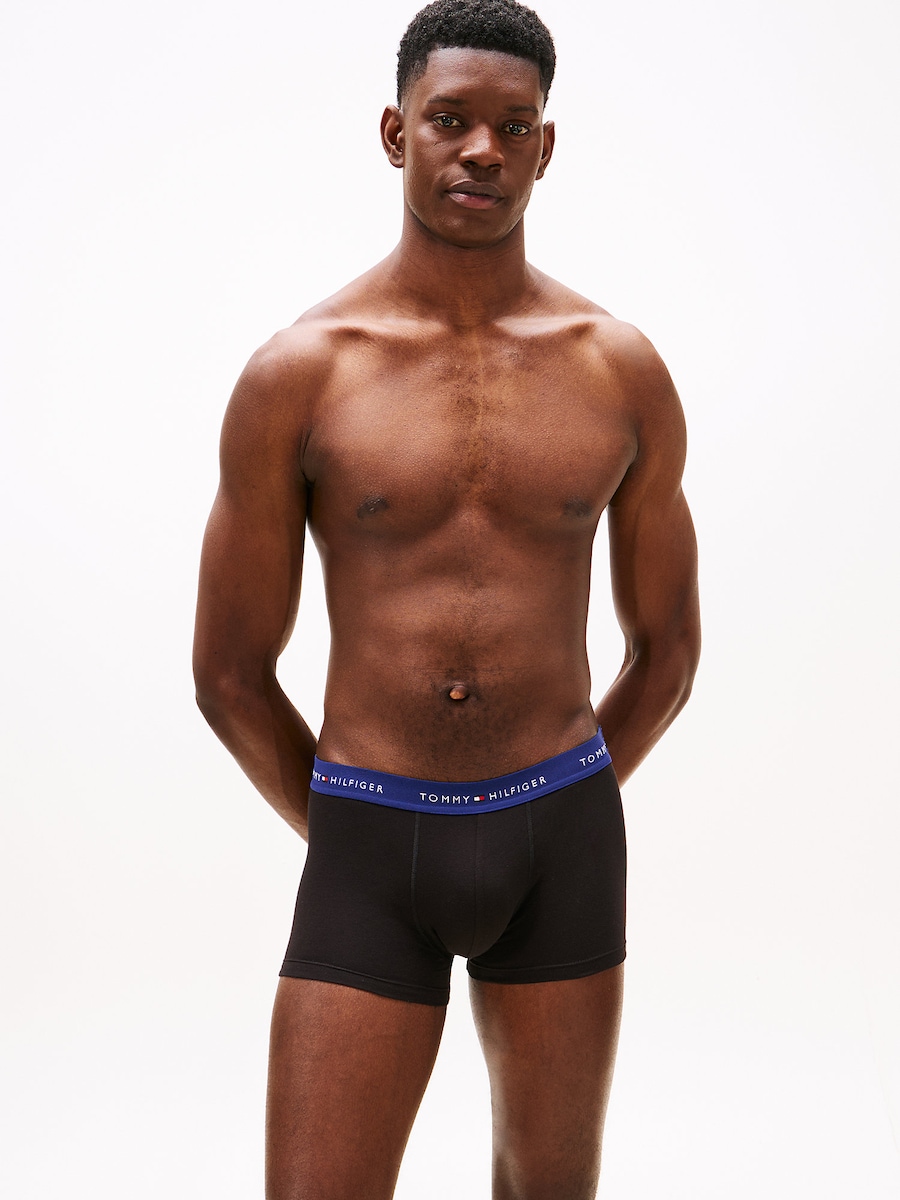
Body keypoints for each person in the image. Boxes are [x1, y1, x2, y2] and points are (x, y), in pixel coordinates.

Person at [193, 0, 700, 1195]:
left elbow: (668, 653)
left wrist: (554, 808)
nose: (483, 149)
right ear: (396, 133)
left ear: (545, 147)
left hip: (562, 843)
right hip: (369, 840)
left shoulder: (616, 368)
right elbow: (227, 673)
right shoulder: (301, 373)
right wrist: (368, 830)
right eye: (451, 120)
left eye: (514, 127)